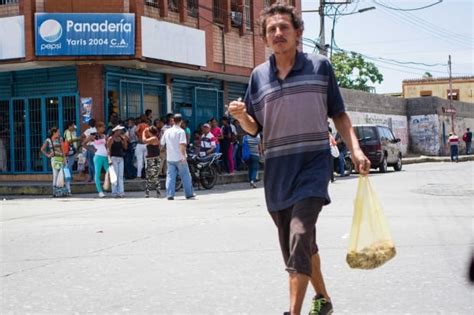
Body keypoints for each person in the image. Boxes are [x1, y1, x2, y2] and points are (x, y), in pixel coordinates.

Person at [228, 4, 371, 314]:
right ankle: (324, 299)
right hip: (277, 172)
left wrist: (356, 149)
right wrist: (241, 117)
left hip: (313, 166)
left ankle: (292, 312)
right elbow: (255, 127)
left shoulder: (320, 67)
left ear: (297, 33)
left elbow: (339, 114)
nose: (278, 33)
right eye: (271, 30)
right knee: (300, 243)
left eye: (284, 27)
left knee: (301, 233)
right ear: (265, 38)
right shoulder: (258, 77)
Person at [160, 113, 195, 200]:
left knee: (170, 176)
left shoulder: (167, 131)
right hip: (180, 158)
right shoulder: (181, 131)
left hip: (170, 158)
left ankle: (170, 195)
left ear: (173, 121)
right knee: (185, 176)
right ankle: (189, 194)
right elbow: (182, 145)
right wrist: (183, 156)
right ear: (181, 121)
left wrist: (162, 151)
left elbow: (161, 144)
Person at [83, 121, 109, 198]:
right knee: (97, 174)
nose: (104, 128)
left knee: (109, 171)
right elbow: (83, 144)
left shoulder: (104, 135)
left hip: (105, 156)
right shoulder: (92, 136)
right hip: (98, 156)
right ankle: (100, 191)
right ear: (98, 128)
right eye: (103, 127)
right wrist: (92, 149)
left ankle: (105, 185)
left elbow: (106, 145)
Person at [41, 127, 68, 197]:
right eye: (58, 132)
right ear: (54, 133)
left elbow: (63, 150)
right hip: (54, 159)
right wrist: (48, 155)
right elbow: (42, 149)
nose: (59, 133)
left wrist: (64, 159)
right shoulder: (48, 140)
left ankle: (62, 192)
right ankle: (55, 193)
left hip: (61, 158)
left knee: (62, 176)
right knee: (55, 175)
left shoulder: (60, 139)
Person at [107, 125, 128, 198]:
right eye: (119, 130)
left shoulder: (121, 138)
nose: (121, 132)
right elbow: (108, 150)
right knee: (115, 176)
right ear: (116, 131)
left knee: (120, 176)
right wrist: (109, 159)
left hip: (120, 158)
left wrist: (124, 140)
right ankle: (114, 192)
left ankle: (121, 192)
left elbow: (125, 147)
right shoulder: (111, 139)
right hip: (113, 158)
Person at [142, 126, 162, 198]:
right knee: (148, 176)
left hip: (154, 160)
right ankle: (147, 192)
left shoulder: (154, 138)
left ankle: (158, 192)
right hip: (150, 159)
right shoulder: (153, 138)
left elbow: (144, 141)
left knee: (154, 176)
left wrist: (143, 132)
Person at [63, 121, 80, 194]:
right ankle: (68, 178)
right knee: (69, 165)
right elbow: (69, 140)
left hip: (72, 151)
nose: (74, 127)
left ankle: (69, 177)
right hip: (70, 151)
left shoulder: (71, 132)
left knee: (70, 164)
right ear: (69, 126)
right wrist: (78, 139)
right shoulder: (67, 132)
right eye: (72, 125)